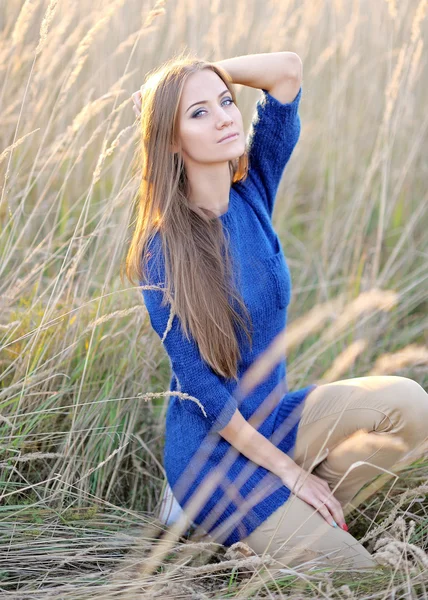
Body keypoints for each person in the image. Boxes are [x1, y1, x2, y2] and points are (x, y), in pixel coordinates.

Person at [125, 50, 428, 571]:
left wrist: (191, 79)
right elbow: (207, 394)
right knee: (364, 577)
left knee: (411, 406)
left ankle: (281, 527)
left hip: (277, 420)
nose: (223, 116)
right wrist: (289, 472)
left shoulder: (253, 190)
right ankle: (241, 524)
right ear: (171, 141)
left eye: (225, 101)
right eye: (198, 113)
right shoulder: (161, 250)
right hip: (215, 461)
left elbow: (287, 71)